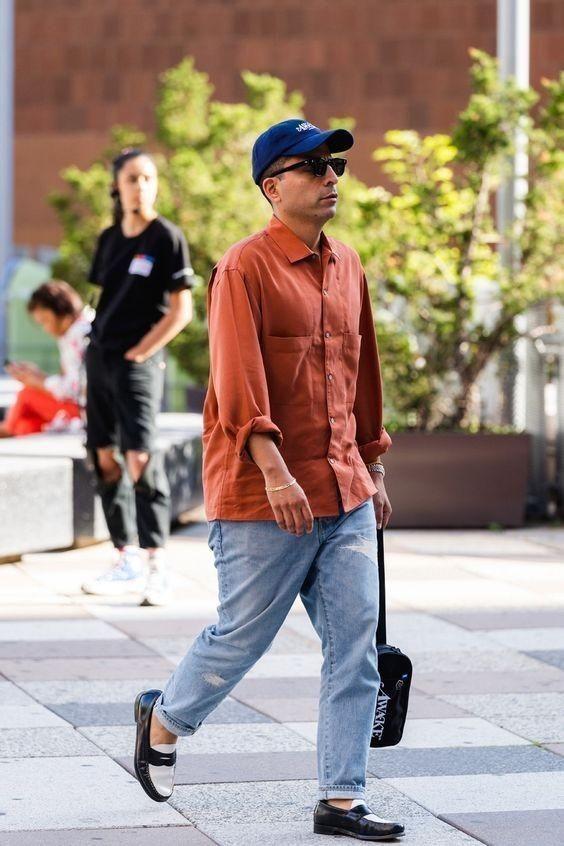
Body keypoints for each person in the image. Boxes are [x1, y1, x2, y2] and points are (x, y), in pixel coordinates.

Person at [133, 120, 405, 841]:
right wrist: (277, 472)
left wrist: (373, 464)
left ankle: (340, 800)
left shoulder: (348, 265)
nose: (330, 176)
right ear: (272, 187)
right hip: (263, 496)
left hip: (344, 489)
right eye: (312, 167)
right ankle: (164, 720)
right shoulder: (242, 268)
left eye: (334, 164)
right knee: (241, 638)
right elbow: (236, 381)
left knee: (355, 647)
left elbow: (363, 374)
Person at [81, 148, 193, 607]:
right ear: (117, 186)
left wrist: (141, 352)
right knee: (103, 457)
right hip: (100, 359)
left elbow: (182, 310)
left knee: (140, 458)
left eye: (148, 178)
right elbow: (104, 298)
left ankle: (157, 564)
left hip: (138, 364)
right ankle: (124, 556)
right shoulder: (109, 238)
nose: (140, 186)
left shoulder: (167, 237)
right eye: (132, 178)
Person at [1, 280, 91, 437]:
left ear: (61, 311)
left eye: (45, 321)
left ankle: (7, 428)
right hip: (77, 408)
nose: (46, 329)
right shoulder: (69, 335)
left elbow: (77, 388)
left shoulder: (80, 333)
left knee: (27, 394)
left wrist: (39, 381)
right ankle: (9, 428)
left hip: (83, 410)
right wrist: (37, 376)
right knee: (24, 426)